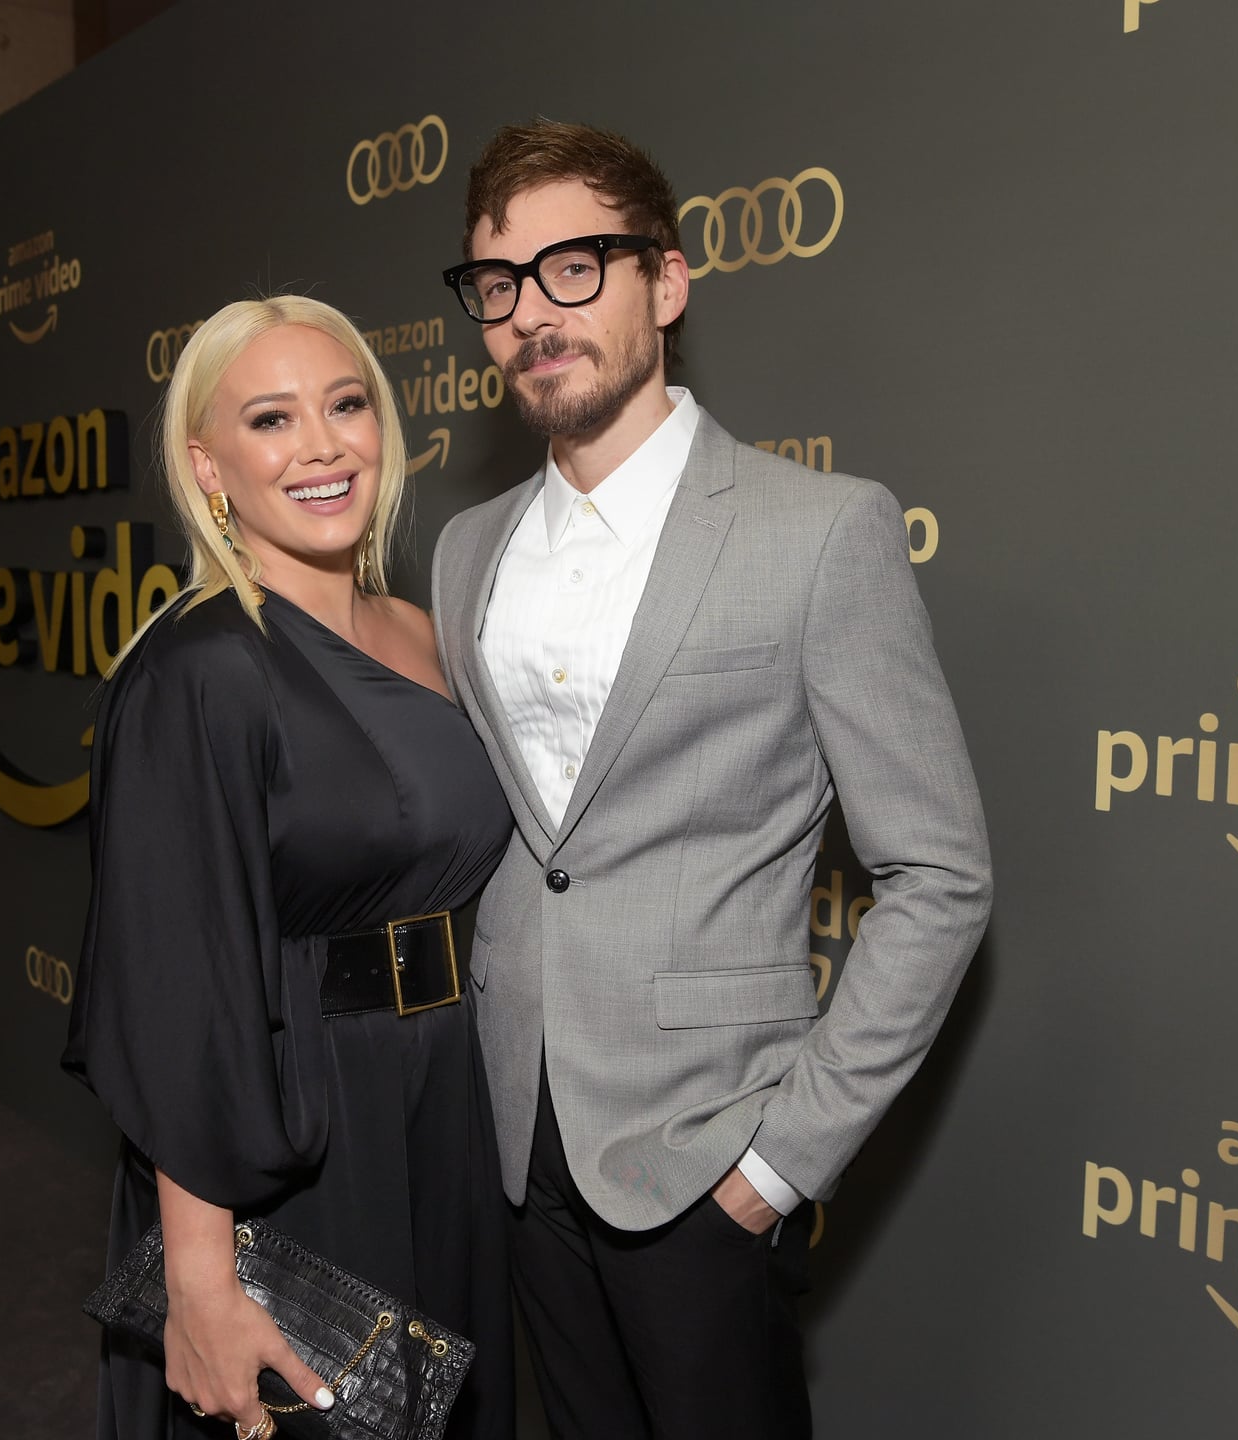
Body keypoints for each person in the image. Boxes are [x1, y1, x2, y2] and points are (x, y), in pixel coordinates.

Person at [429, 121, 994, 1437]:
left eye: (574, 268)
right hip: (518, 1133)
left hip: (706, 1151)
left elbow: (941, 873)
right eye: (499, 285)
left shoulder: (820, 533)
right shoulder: (463, 552)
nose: (530, 316)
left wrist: (782, 1160)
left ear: (666, 284)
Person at [61, 295, 514, 1440]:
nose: (320, 444)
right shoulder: (199, 671)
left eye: (345, 404)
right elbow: (176, 1002)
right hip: (303, 1124)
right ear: (207, 467)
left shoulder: (424, 631)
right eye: (271, 419)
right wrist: (201, 1285)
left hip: (450, 1101)